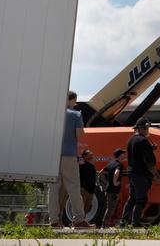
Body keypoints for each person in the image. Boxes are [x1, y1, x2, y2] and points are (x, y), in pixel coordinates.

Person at [48, 91, 90, 228]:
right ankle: (79, 219)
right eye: (75, 102)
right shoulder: (76, 115)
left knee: (53, 189)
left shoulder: (52, 114)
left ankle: (53, 220)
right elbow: (80, 134)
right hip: (68, 155)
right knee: (73, 187)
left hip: (53, 155)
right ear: (71, 100)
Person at [122, 120, 157, 227]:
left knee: (132, 198)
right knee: (141, 199)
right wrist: (156, 174)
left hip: (132, 173)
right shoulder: (143, 141)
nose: (148, 130)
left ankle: (123, 221)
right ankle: (135, 222)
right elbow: (148, 160)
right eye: (147, 128)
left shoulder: (131, 140)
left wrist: (150, 149)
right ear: (143, 128)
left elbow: (137, 154)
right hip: (142, 174)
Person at [100, 149, 126, 228]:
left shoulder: (111, 163)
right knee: (111, 208)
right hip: (114, 190)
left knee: (110, 208)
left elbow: (101, 172)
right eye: (123, 154)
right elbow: (117, 172)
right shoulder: (119, 165)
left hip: (108, 189)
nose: (124, 155)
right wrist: (114, 182)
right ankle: (104, 225)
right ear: (120, 155)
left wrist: (104, 183)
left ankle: (105, 224)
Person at [78, 150, 97, 221]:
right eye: (89, 153)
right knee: (81, 208)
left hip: (90, 191)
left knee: (87, 208)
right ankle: (77, 221)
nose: (92, 154)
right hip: (84, 190)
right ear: (85, 156)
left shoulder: (91, 166)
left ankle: (82, 221)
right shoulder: (82, 165)